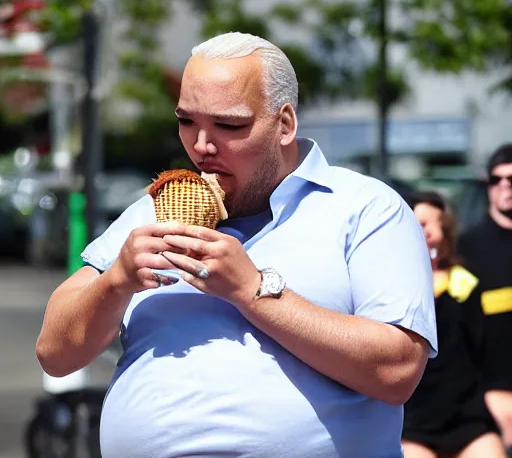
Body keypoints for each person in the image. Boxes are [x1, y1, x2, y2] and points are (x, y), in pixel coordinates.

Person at [36, 32, 437, 458]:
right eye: (187, 121)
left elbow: (397, 371)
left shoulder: (366, 208)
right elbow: (54, 354)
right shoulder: (155, 209)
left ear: (284, 124)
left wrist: (252, 289)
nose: (202, 147)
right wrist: (116, 280)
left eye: (229, 125)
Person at [402, 191, 506, 458]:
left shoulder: (465, 284)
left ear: (444, 229)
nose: (420, 231)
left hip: (467, 419)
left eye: (427, 224)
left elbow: (488, 353)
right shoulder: (395, 288)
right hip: (413, 423)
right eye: (413, 224)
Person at [458, 144, 512, 455]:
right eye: (497, 179)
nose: (505, 186)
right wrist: (488, 397)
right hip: (490, 402)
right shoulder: (467, 251)